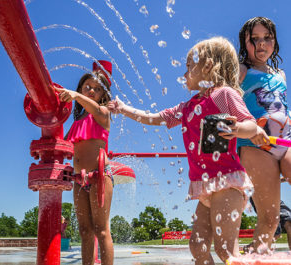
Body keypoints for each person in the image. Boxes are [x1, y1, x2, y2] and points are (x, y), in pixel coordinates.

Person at [108, 37, 258, 264]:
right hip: (205, 185)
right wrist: (123, 109)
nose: (185, 73)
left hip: (227, 182)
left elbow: (252, 125)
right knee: (197, 246)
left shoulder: (224, 95)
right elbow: (154, 118)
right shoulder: (186, 107)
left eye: (189, 66)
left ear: (208, 66)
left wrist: (237, 128)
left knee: (225, 248)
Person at [237, 16, 291, 253]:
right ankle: (255, 256)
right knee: (270, 220)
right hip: (256, 144)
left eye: (267, 38)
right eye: (254, 39)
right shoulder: (241, 70)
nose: (261, 44)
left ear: (274, 41)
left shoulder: (280, 73)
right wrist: (245, 123)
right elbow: (226, 99)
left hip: (286, 141)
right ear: (244, 43)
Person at [56, 60, 114, 265]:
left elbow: (96, 109)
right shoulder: (78, 121)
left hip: (100, 175)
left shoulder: (103, 114)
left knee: (101, 228)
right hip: (78, 179)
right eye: (87, 87)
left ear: (102, 95)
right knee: (84, 230)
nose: (91, 91)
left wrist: (76, 95)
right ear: (80, 87)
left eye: (97, 89)